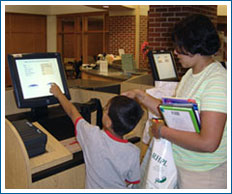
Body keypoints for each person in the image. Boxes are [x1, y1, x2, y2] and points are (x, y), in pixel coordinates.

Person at [123, 14, 227, 189]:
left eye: (180, 47)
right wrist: (141, 96)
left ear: (196, 45)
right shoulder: (190, 75)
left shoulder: (216, 81)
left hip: (204, 174)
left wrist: (163, 131)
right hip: (182, 165)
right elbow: (174, 113)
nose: (175, 53)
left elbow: (208, 142)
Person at [50, 83, 144, 189]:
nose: (104, 110)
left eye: (106, 109)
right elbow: (131, 180)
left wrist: (58, 94)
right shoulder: (134, 151)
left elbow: (72, 112)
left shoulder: (92, 135)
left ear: (108, 122)